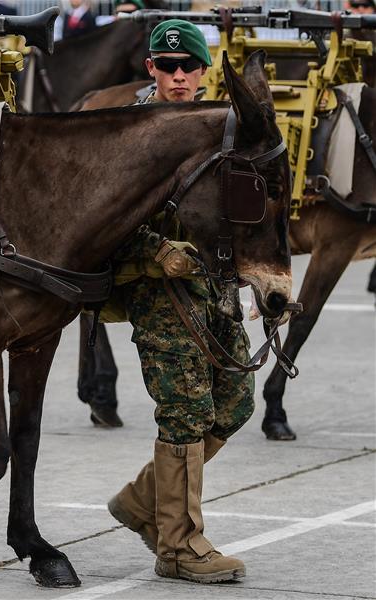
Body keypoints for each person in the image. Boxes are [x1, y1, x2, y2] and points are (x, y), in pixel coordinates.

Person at [105, 19, 252, 584]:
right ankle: (180, 546)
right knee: (185, 412)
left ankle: (141, 504)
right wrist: (156, 248)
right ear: (151, 70)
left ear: (203, 70)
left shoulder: (218, 127)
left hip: (213, 286)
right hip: (157, 288)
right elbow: (104, 220)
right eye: (167, 67)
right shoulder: (130, 130)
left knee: (236, 402)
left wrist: (253, 275)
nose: (179, 76)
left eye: (188, 66)